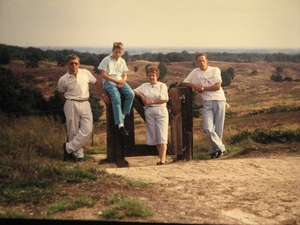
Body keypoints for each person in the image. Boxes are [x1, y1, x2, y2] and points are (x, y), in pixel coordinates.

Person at [58, 54, 110, 163]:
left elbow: (96, 83)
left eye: (76, 63)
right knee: (73, 130)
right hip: (71, 104)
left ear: (79, 64)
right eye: (71, 63)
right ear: (68, 64)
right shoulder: (63, 79)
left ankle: (68, 148)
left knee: (88, 129)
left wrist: (103, 95)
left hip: (85, 103)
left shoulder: (85, 73)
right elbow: (61, 93)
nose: (73, 65)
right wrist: (69, 102)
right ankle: (78, 156)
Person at [183, 52, 227, 159]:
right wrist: (194, 85)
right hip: (207, 102)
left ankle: (214, 151)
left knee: (218, 129)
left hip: (219, 100)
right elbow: (185, 82)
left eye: (203, 60)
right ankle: (221, 148)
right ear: (196, 62)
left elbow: (217, 86)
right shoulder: (195, 72)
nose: (202, 63)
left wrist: (202, 88)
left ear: (207, 61)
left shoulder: (215, 70)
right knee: (208, 127)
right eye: (199, 61)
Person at [134, 65, 169, 165]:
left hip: (160, 110)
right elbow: (134, 91)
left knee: (162, 134)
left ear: (157, 75)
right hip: (149, 111)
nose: (151, 77)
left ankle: (162, 159)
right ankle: (161, 158)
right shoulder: (144, 86)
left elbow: (164, 99)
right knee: (154, 135)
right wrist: (142, 96)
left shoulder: (162, 86)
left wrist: (151, 101)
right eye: (149, 75)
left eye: (153, 75)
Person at [98, 42, 134, 137]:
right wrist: (116, 81)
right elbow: (103, 75)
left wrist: (123, 81)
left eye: (119, 52)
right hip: (109, 82)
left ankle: (122, 115)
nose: (117, 54)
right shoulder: (106, 60)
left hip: (119, 81)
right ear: (112, 51)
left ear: (122, 52)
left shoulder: (122, 61)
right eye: (116, 52)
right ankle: (120, 125)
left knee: (131, 94)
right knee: (116, 98)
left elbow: (125, 74)